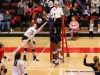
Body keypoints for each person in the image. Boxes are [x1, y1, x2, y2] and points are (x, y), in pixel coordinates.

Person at [50, 1, 64, 67]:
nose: (55, 5)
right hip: (54, 20)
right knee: (58, 47)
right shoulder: (52, 9)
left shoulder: (60, 9)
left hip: (58, 20)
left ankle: (56, 61)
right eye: (55, 4)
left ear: (58, 4)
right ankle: (60, 58)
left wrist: (63, 22)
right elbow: (50, 15)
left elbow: (62, 15)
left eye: (56, 4)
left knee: (56, 49)